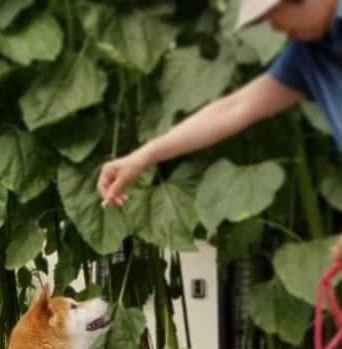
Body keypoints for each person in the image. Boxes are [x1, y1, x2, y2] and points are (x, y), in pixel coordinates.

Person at [98, 0, 342, 257]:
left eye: (272, 11)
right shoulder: (310, 53)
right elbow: (235, 107)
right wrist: (144, 155)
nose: (274, 25)